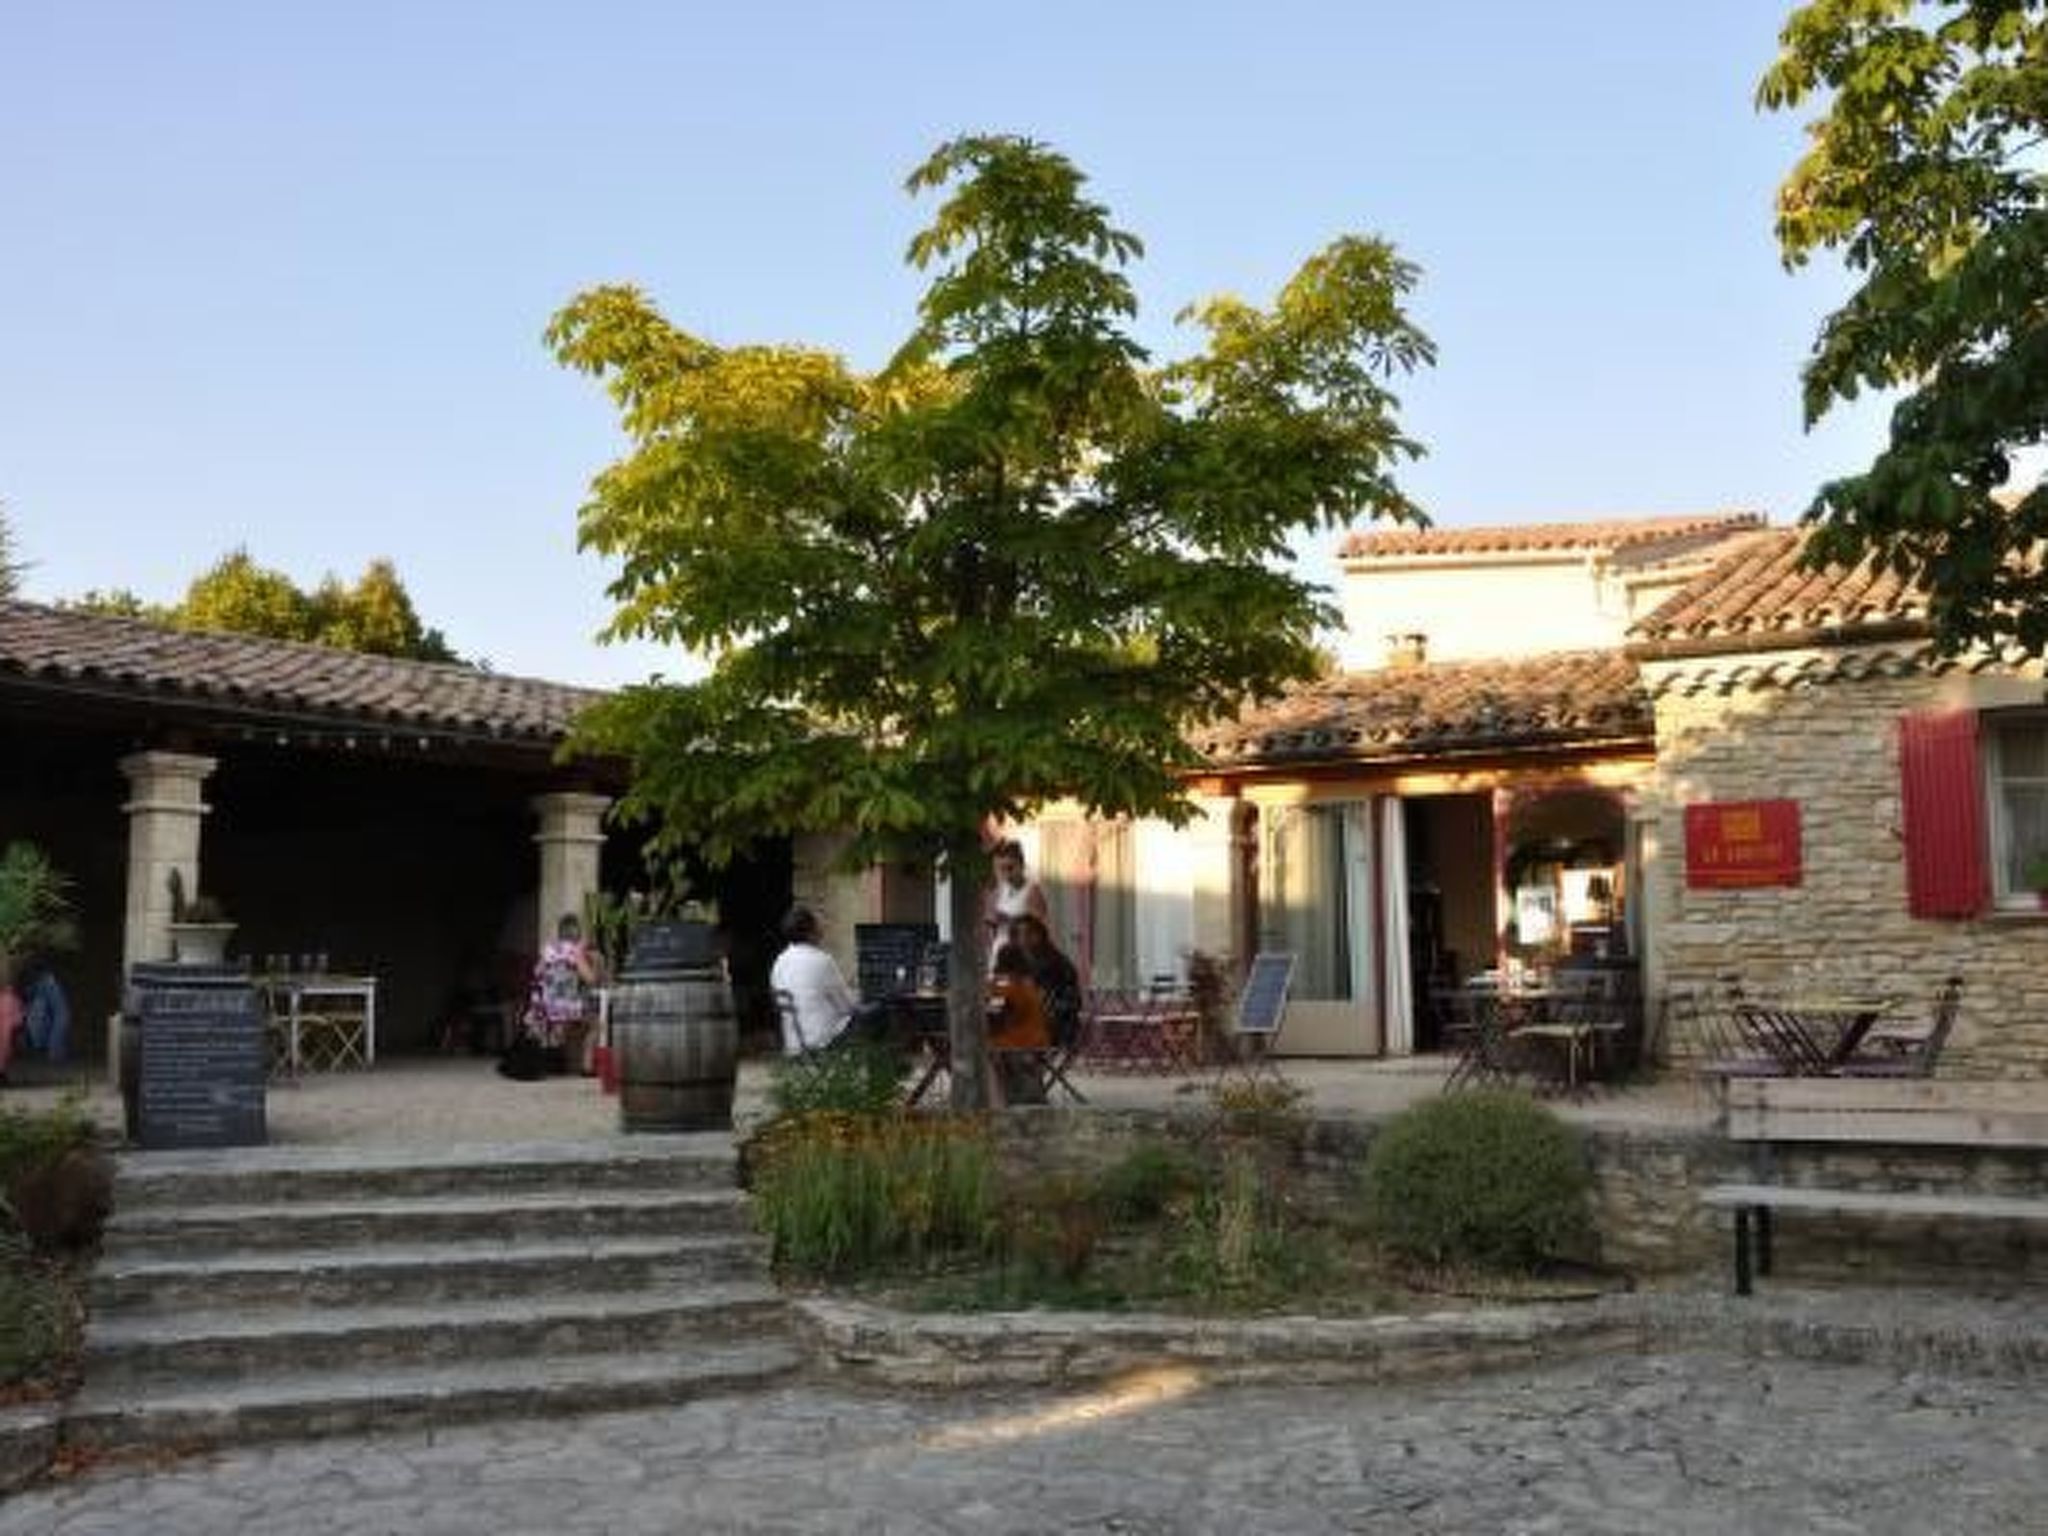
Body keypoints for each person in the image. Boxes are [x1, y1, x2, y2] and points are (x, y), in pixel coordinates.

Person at [768, 906, 888, 1054]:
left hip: (794, 1043)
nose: (822, 929)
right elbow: (848, 1007)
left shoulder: (779, 962)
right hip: (824, 1040)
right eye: (818, 925)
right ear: (810, 932)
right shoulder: (822, 960)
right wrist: (860, 992)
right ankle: (875, 1064)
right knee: (881, 1011)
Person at [511, 914, 599, 1075]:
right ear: (578, 934)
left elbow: (537, 972)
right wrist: (593, 962)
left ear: (560, 932)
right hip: (567, 1006)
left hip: (545, 1006)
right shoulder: (575, 951)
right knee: (596, 1025)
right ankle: (587, 1067)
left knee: (560, 1027)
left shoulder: (548, 949)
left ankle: (552, 1059)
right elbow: (590, 979)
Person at [1012, 913, 1082, 1050]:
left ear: (1039, 935)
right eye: (1018, 935)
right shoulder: (1016, 962)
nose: (1023, 939)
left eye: (1028, 934)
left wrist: (1048, 1008)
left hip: (1056, 1029)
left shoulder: (1058, 964)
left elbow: (1073, 1002)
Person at [982, 838, 1049, 969]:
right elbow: (991, 920)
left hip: (1022, 957)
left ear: (1021, 865)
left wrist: (1010, 920)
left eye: (1010, 868)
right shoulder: (1002, 889)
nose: (1007, 874)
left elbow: (1041, 928)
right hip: (1001, 952)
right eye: (1002, 869)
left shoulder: (1032, 891)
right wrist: (993, 921)